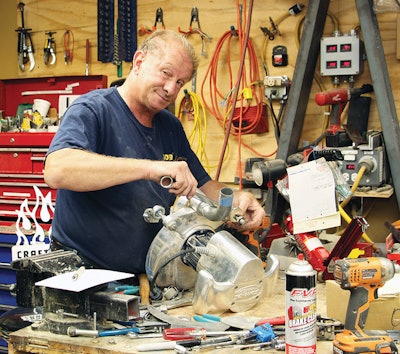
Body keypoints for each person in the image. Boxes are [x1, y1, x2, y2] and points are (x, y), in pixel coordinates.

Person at [44, 29, 265, 275]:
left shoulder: (170, 126)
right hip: (80, 274)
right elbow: (57, 170)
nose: (171, 88)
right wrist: (150, 168)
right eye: (166, 73)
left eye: (180, 82)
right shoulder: (93, 109)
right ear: (139, 62)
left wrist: (235, 200)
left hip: (140, 278)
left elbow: (201, 185)